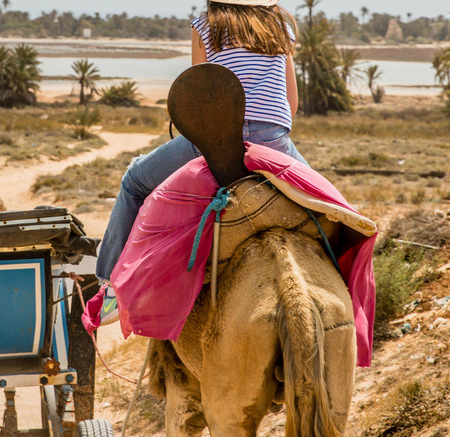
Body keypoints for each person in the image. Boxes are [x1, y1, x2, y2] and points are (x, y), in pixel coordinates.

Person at [95, 0, 306, 325]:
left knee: (134, 181)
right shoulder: (281, 27)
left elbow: (199, 95)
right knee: (330, 205)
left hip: (215, 136)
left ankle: (110, 287)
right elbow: (291, 104)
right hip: (273, 141)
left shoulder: (206, 25)